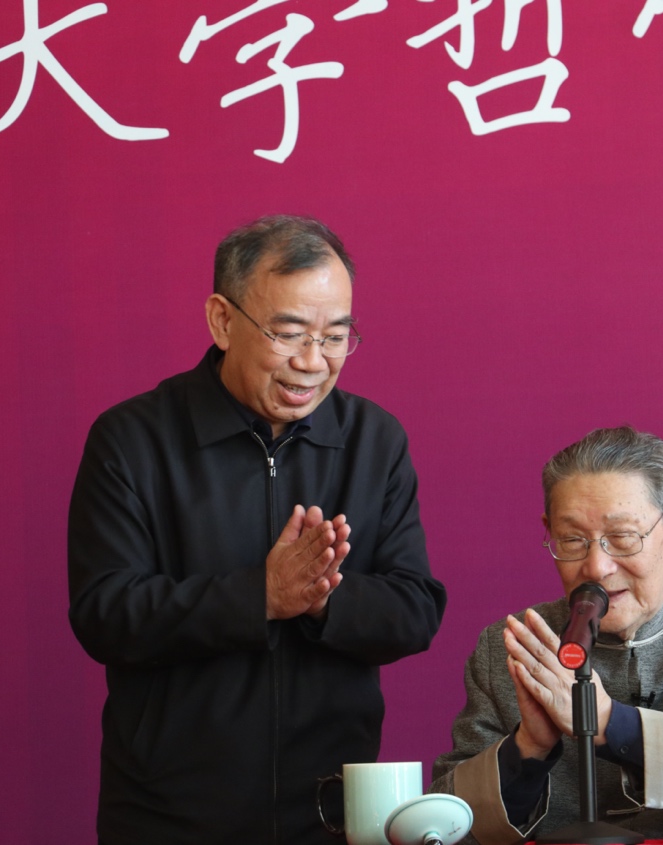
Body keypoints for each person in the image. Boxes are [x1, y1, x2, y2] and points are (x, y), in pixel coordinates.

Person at [68, 215, 447, 845]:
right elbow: (104, 614)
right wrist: (261, 596)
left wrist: (323, 598)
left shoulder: (374, 440)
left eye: (335, 336)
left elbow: (414, 610)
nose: (312, 362)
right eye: (289, 334)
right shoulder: (133, 440)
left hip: (333, 813)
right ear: (222, 320)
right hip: (170, 814)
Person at [431, 426, 663, 843]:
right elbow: (445, 826)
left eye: (622, 538)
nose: (596, 567)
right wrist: (527, 749)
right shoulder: (512, 646)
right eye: (572, 540)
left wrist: (612, 725)